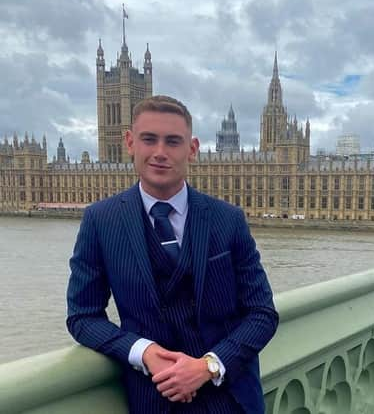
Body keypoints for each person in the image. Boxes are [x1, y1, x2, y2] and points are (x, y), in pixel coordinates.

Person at [67, 95, 279, 414]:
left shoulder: (228, 219)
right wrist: (142, 350)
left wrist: (210, 365)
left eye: (173, 141)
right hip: (155, 400)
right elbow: (82, 316)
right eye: (149, 139)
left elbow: (262, 312)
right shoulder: (101, 221)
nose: (160, 153)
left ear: (192, 149)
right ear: (130, 143)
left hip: (231, 400)